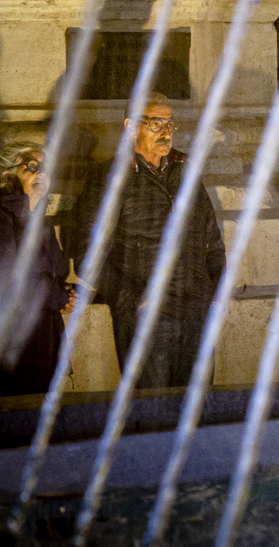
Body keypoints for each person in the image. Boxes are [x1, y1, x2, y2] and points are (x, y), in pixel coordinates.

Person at [72, 93, 225, 388]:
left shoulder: (186, 171)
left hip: (196, 313)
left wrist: (214, 291)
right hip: (147, 319)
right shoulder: (109, 179)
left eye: (170, 124)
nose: (166, 132)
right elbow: (86, 256)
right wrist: (134, 300)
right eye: (156, 123)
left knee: (198, 408)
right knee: (153, 412)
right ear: (130, 127)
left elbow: (213, 243)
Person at [0, 141, 75, 397]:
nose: (42, 173)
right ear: (8, 174)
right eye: (33, 166)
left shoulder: (36, 215)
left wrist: (65, 293)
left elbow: (49, 270)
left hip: (38, 343)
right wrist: (57, 297)